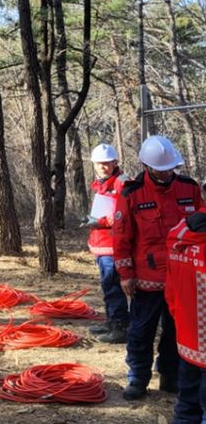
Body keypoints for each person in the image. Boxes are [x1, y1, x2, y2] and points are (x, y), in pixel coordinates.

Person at [113, 135, 202, 401]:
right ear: (146, 166)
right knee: (141, 332)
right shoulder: (131, 193)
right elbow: (121, 238)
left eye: (169, 168)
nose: (166, 173)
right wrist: (125, 275)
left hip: (182, 279)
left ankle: (170, 377)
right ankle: (138, 378)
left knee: (177, 334)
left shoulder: (189, 188)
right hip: (147, 280)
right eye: (160, 169)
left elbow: (200, 230)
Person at [85, 143, 130, 344]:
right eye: (99, 163)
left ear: (115, 162)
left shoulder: (122, 183)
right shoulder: (100, 183)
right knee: (107, 285)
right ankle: (112, 321)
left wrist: (101, 221)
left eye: (107, 163)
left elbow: (124, 215)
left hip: (113, 246)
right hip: (101, 244)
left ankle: (120, 326)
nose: (103, 167)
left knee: (113, 286)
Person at [166, 208, 206, 423]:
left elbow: (171, 291)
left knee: (187, 403)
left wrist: (182, 322)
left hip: (188, 341)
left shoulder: (178, 236)